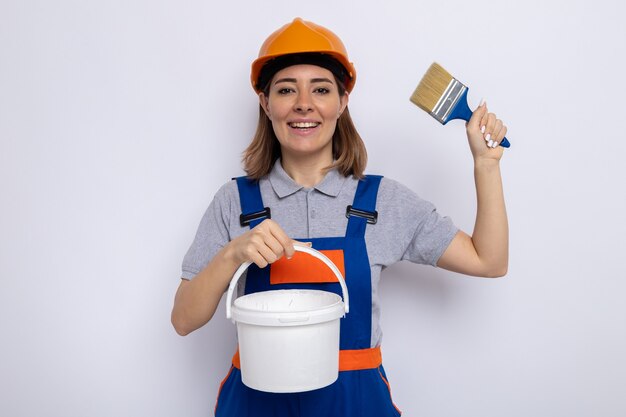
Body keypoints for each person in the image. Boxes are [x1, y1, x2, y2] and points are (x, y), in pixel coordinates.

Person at [171, 17, 508, 417]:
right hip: (255, 404)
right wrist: (231, 256)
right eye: (285, 90)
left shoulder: (382, 200)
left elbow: (489, 261)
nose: (303, 103)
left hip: (356, 405)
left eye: (321, 89)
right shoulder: (234, 202)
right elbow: (183, 320)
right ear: (266, 104)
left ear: (342, 101)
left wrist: (486, 165)